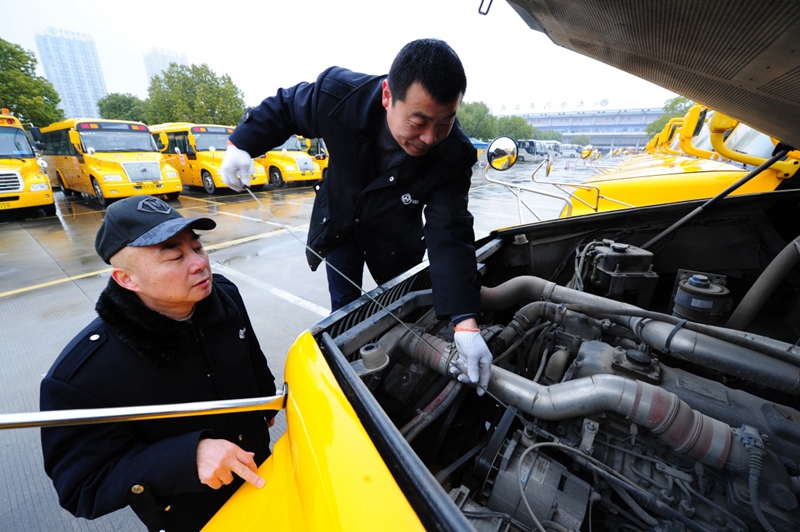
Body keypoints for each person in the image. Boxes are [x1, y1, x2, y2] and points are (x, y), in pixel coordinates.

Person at [220, 38, 492, 393]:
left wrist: (465, 322)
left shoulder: (453, 155)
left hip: (396, 238)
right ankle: (349, 383)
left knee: (400, 311)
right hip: (342, 224)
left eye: (444, 123)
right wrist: (242, 142)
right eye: (418, 121)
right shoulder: (339, 97)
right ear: (386, 96)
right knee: (346, 314)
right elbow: (287, 107)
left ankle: (393, 382)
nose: (429, 138)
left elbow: (450, 234)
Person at [40, 195, 277, 532]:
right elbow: (82, 487)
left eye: (197, 248)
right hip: (197, 516)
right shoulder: (83, 375)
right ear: (126, 279)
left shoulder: (224, 297)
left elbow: (251, 358)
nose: (199, 264)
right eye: (175, 256)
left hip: (267, 476)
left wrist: (265, 406)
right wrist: (184, 458)